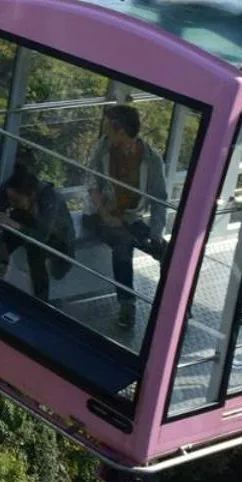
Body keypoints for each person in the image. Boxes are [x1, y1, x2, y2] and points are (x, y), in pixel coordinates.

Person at [83, 103, 169, 331]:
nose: (104, 132)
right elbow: (92, 181)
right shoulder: (103, 148)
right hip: (99, 215)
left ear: (121, 131)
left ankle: (172, 305)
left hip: (130, 217)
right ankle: (127, 305)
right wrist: (104, 214)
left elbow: (159, 198)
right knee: (123, 242)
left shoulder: (151, 159)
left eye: (108, 127)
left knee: (166, 252)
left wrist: (156, 234)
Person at [0, 160, 72, 301]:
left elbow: (41, 237)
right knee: (4, 235)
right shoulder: (14, 186)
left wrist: (11, 223)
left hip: (56, 242)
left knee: (35, 250)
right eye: (10, 200)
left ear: (31, 195)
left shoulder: (50, 200)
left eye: (16, 201)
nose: (11, 204)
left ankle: (41, 301)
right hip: (28, 225)